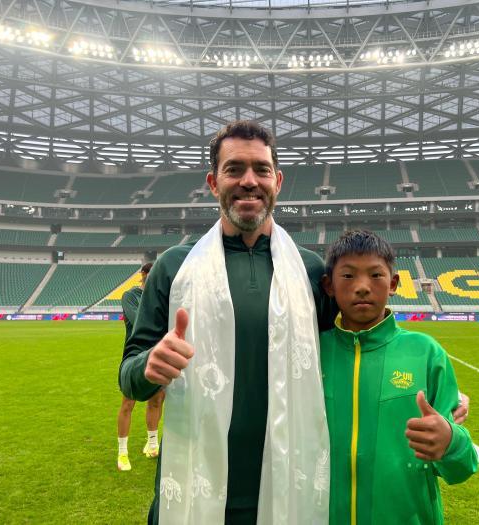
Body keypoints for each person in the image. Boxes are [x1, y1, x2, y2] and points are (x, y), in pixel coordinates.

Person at [119, 120, 334, 524]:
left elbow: (348, 357)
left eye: (261, 169)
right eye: (234, 169)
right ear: (213, 182)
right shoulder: (174, 267)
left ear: (277, 181)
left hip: (288, 487)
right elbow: (129, 375)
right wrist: (150, 365)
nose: (249, 181)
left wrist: (437, 391)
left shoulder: (310, 270)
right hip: (193, 487)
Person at [320, 230, 479, 524]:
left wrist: (451, 442)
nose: (362, 287)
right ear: (329, 285)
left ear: (393, 284)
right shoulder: (311, 353)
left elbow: (461, 468)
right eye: (348, 276)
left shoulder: (425, 353)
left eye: (375, 275)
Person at [116, 262, 165, 472]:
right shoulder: (131, 296)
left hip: (156, 355)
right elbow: (139, 322)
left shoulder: (160, 297)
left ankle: (152, 444)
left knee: (157, 400)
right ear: (143, 274)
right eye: (151, 274)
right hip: (135, 355)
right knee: (128, 403)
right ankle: (122, 453)